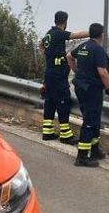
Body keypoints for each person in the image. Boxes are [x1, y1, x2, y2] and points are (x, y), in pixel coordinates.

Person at [67, 23, 109, 167]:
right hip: (92, 90)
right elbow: (103, 73)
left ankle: (94, 150)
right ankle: (82, 157)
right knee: (90, 121)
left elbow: (69, 57)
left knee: (94, 120)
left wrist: (77, 72)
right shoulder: (98, 50)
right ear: (101, 35)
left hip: (81, 87)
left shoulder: (83, 47)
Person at [40, 11, 89, 144]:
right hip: (57, 76)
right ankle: (66, 135)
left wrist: (47, 56)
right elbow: (75, 35)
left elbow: (41, 45)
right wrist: (93, 32)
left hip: (49, 74)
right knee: (63, 101)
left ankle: (48, 132)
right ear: (65, 22)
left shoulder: (49, 33)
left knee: (50, 102)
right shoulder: (58, 33)